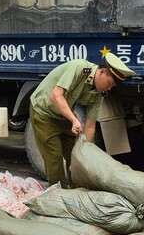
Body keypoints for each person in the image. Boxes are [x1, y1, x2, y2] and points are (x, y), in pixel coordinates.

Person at [29, 52, 136, 187]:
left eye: (112, 86)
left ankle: (77, 194)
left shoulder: (99, 94)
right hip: (44, 112)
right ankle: (58, 196)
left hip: (64, 115)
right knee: (54, 159)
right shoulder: (79, 68)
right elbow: (56, 95)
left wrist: (85, 152)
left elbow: (90, 125)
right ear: (102, 72)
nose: (109, 87)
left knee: (76, 158)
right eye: (109, 83)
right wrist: (74, 120)